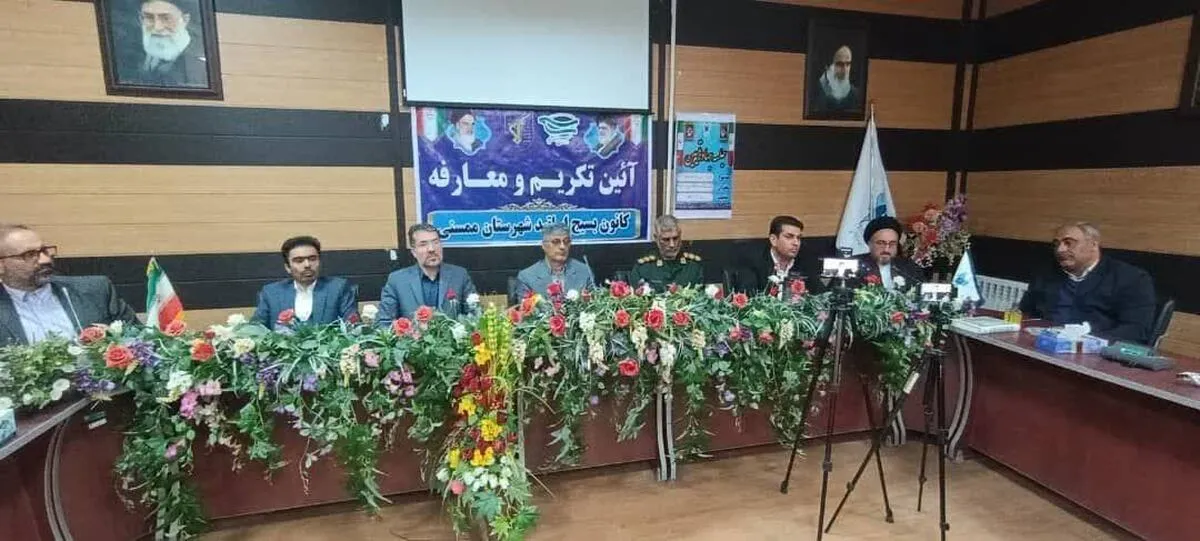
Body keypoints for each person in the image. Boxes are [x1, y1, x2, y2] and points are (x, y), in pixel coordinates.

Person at [0, 225, 138, 346]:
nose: (45, 260)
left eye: (45, 250)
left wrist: (116, 338)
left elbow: (140, 339)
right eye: (29, 255)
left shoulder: (95, 290)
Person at [1018, 222, 1156, 344]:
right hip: (1043, 343)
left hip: (1094, 350)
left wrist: (1086, 340)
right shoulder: (1046, 273)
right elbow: (1026, 312)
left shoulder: (1131, 278)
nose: (1060, 250)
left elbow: (1136, 330)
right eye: (1057, 244)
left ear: (1093, 245)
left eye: (1069, 243)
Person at [252, 236, 358, 327]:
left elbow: (354, 326)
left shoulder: (338, 288)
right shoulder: (271, 292)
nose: (307, 265)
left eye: (312, 259)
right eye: (299, 261)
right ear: (288, 267)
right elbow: (256, 329)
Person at [379, 224, 477, 321]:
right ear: (414, 252)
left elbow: (475, 317)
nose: (431, 249)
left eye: (435, 242)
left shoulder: (460, 276)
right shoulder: (397, 280)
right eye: (423, 244)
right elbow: (384, 322)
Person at [121, 0, 209, 87]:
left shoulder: (202, 67)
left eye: (166, 18)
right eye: (149, 17)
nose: (157, 27)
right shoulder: (128, 56)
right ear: (140, 19)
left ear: (185, 20)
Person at [736, 215, 814, 294]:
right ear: (773, 240)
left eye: (798, 238)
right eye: (789, 237)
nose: (796, 243)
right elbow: (749, 297)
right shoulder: (753, 263)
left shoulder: (807, 263)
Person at [516, 223, 595, 298]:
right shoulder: (527, 277)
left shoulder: (584, 272)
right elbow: (525, 307)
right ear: (544, 245)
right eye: (556, 242)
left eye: (566, 242)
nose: (562, 247)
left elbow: (594, 304)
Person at [630, 215, 703, 291]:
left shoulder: (693, 266)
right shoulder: (643, 268)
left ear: (680, 236)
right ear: (656, 238)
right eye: (666, 240)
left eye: (675, 238)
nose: (672, 245)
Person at [858, 216, 923, 291]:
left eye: (892, 243)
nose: (886, 249)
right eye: (881, 243)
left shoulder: (909, 267)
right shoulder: (855, 266)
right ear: (869, 243)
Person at [811, 45, 861, 113]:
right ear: (827, 66)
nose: (845, 69)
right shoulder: (815, 91)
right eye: (839, 64)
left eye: (848, 64)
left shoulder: (855, 94)